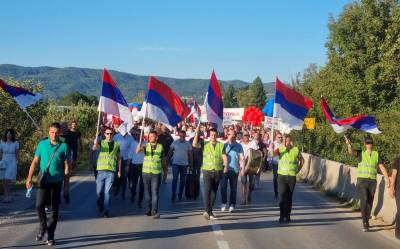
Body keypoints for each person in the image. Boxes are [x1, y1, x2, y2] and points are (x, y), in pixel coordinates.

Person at [26, 123, 71, 246]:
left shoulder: (64, 146)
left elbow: (67, 166)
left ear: (59, 133)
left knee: (54, 210)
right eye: (52, 132)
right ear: (48, 132)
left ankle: (50, 236)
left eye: (56, 132)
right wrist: (29, 178)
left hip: (57, 182)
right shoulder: (42, 144)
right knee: (39, 205)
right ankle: (43, 226)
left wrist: (66, 186)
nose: (54, 135)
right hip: (44, 180)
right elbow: (35, 162)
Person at [345, 136, 390, 232]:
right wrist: (349, 145)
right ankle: (365, 222)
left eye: (371, 143)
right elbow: (351, 152)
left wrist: (387, 178)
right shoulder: (361, 153)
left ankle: (367, 220)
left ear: (372, 144)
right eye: (368, 143)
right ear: (365, 144)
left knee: (370, 202)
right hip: (362, 181)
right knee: (364, 199)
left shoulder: (376, 154)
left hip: (372, 181)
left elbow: (381, 167)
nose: (369, 145)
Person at [193, 127, 228, 220]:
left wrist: (226, 166)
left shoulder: (221, 145)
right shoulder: (205, 144)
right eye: (212, 134)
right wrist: (196, 134)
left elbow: (224, 156)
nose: (213, 136)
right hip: (207, 171)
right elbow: (194, 144)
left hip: (218, 171)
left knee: (214, 192)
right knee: (207, 191)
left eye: (215, 134)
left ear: (217, 135)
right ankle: (207, 211)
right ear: (209, 135)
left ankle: (209, 211)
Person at [273, 134, 304, 223]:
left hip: (291, 177)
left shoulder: (295, 150)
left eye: (288, 141)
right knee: (282, 196)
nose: (287, 142)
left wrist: (298, 170)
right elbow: (273, 155)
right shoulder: (281, 149)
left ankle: (288, 216)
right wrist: (273, 148)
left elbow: (302, 160)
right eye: (285, 141)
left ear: (291, 141)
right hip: (282, 176)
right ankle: (281, 215)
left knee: (289, 197)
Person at [136, 130, 167, 218]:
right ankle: (148, 209)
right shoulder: (146, 145)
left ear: (156, 137)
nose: (150, 138)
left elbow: (163, 160)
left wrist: (165, 172)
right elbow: (137, 151)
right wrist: (140, 143)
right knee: (147, 193)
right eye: (149, 137)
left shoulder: (161, 147)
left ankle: (154, 211)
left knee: (155, 192)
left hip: (156, 173)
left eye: (152, 136)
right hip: (146, 173)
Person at [92, 127, 122, 218]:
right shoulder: (101, 143)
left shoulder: (117, 144)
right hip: (101, 170)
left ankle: (106, 211)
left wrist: (119, 171)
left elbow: (119, 158)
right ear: (104, 134)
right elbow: (94, 148)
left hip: (111, 171)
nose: (109, 135)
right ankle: (100, 203)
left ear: (113, 135)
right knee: (99, 192)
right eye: (107, 134)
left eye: (111, 134)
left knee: (107, 193)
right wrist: (95, 142)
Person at [220, 130, 244, 213]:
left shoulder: (239, 146)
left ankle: (232, 205)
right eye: (230, 134)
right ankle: (224, 203)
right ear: (227, 135)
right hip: (225, 169)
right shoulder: (224, 145)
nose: (231, 136)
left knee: (233, 189)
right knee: (223, 187)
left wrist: (242, 169)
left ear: (235, 136)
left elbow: (242, 158)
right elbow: (221, 157)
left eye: (233, 135)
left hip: (235, 170)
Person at [167, 130, 193, 201]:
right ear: (179, 136)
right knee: (175, 179)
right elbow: (170, 152)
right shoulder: (175, 142)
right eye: (181, 136)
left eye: (183, 136)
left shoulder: (188, 144)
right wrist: (167, 160)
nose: (182, 137)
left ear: (185, 136)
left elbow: (190, 155)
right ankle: (173, 194)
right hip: (175, 164)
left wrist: (191, 164)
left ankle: (180, 194)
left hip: (184, 165)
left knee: (182, 181)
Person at [113, 127, 134, 200]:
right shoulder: (116, 137)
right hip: (117, 159)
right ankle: (117, 187)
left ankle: (123, 192)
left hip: (126, 160)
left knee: (124, 176)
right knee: (117, 176)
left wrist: (129, 160)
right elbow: (112, 147)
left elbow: (132, 149)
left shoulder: (131, 138)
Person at [0, 129, 19, 203]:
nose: (9, 135)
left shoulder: (15, 143)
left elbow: (17, 154)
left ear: (12, 135)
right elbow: (0, 153)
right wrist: (1, 161)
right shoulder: (2, 143)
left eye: (10, 134)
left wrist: (17, 162)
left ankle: (9, 195)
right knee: (4, 180)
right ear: (5, 135)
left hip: (12, 162)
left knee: (9, 179)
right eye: (7, 133)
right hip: (4, 162)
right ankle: (6, 196)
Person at [127, 129, 145, 207]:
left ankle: (140, 201)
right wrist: (128, 165)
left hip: (143, 166)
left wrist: (142, 148)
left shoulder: (146, 144)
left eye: (140, 135)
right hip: (134, 165)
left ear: (143, 135)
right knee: (134, 183)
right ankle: (133, 195)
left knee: (142, 184)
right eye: (137, 135)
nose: (138, 137)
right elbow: (130, 156)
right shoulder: (133, 144)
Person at [239, 131, 253, 205]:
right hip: (243, 166)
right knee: (243, 182)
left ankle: (249, 194)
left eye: (247, 135)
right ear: (242, 136)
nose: (246, 136)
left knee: (251, 184)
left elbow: (257, 152)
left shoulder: (252, 143)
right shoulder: (240, 145)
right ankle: (243, 198)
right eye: (244, 135)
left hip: (251, 166)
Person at [269, 132, 283, 199]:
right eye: (279, 137)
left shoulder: (284, 144)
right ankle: (276, 191)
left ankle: (281, 191)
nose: (280, 138)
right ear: (276, 137)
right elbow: (271, 155)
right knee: (275, 178)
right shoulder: (273, 144)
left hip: (283, 164)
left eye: (281, 137)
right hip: (275, 163)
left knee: (281, 178)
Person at [390, 157, 400, 239]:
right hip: (398, 190)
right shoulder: (398, 160)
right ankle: (398, 231)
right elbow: (393, 175)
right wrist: (392, 188)